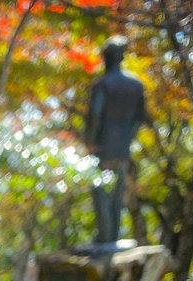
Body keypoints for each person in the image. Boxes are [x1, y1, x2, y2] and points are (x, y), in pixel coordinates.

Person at [84, 37, 151, 245]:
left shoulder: (102, 84)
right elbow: (142, 117)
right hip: (123, 145)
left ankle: (104, 236)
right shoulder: (136, 84)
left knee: (100, 190)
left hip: (102, 145)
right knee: (117, 191)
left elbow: (95, 113)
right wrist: (130, 136)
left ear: (106, 58)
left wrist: (91, 140)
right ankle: (113, 236)